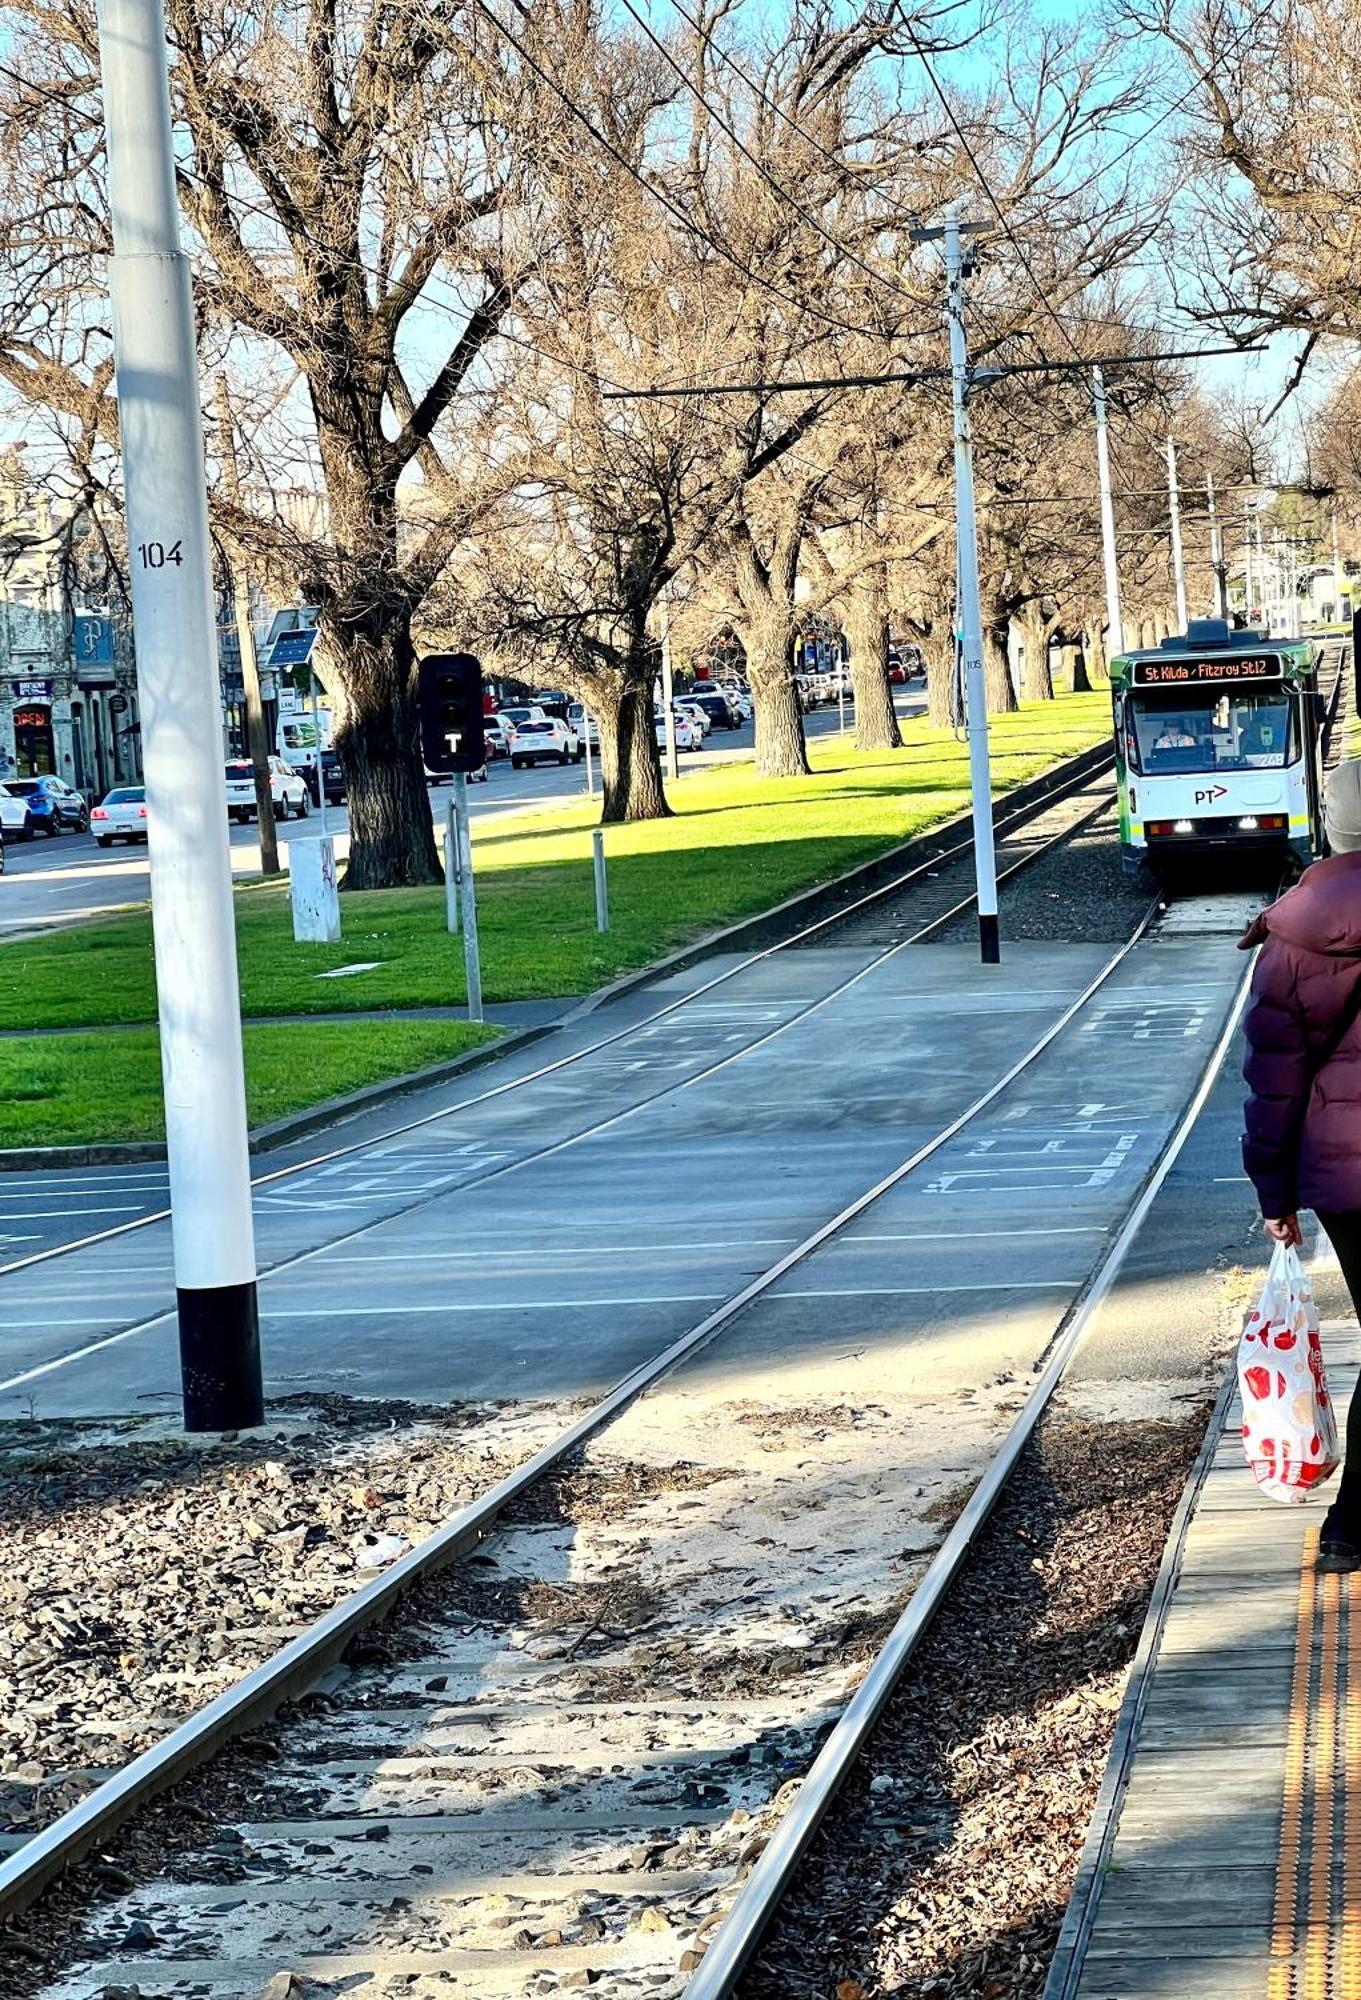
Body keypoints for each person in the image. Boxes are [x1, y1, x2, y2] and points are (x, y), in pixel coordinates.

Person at [1241, 758, 1361, 1570]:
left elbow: (1274, 1083)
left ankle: (1352, 1527)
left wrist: (1273, 1193)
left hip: (1346, 1179)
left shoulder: (1294, 935)